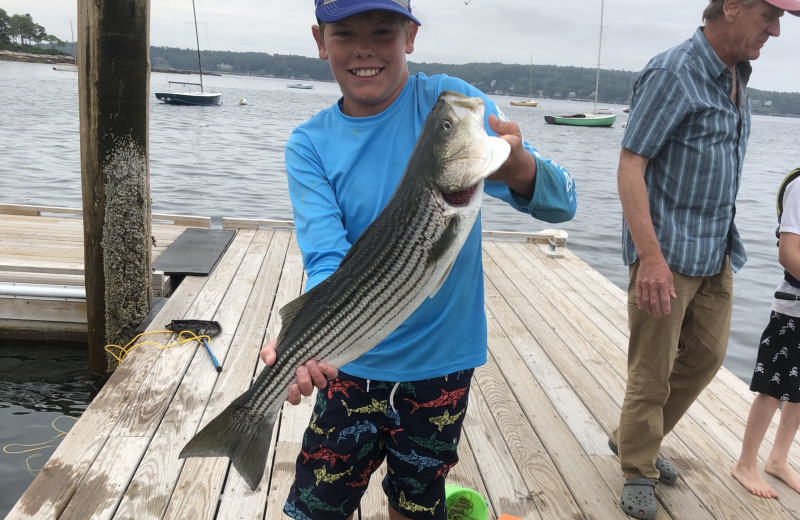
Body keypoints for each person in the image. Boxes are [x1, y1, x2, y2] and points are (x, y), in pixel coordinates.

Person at [259, 1, 576, 519]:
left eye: (383, 31)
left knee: (418, 503)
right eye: (345, 33)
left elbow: (563, 199)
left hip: (442, 365)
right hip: (350, 363)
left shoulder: (450, 106)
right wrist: (307, 338)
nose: (364, 48)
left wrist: (516, 165)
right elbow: (326, 259)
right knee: (319, 507)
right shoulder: (309, 145)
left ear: (410, 35)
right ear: (320, 41)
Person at [609, 1, 794, 519]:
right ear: (731, 7)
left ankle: (629, 438)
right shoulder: (674, 71)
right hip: (665, 251)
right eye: (769, 17)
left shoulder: (735, 73)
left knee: (708, 356)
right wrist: (649, 257)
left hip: (716, 249)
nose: (776, 31)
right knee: (652, 369)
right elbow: (630, 166)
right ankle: (637, 468)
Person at [731, 168, 800, 498]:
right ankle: (745, 463)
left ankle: (778, 459)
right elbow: (788, 254)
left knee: (799, 391)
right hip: (793, 308)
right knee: (773, 386)